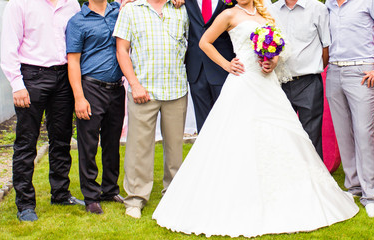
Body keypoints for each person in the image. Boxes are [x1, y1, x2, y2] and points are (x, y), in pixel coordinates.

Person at [152, 0, 359, 237]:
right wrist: (227, 64)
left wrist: (272, 61)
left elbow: (280, 48)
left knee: (283, 136)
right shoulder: (228, 14)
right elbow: (204, 42)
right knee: (237, 137)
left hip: (267, 84)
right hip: (243, 83)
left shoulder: (267, 13)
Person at [0, 0, 84, 222]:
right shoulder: (19, 4)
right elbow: (9, 47)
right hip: (32, 77)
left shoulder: (72, 4)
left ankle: (60, 194)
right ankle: (25, 205)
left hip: (63, 77)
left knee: (62, 139)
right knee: (26, 143)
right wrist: (17, 84)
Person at [324, 0, 374, 217]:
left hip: (361, 73)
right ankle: (354, 188)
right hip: (333, 72)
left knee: (364, 133)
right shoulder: (328, 4)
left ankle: (371, 196)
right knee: (343, 134)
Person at [113, 0, 188, 219]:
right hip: (143, 90)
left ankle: (173, 194)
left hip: (176, 88)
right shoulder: (130, 10)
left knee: (175, 148)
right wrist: (134, 84)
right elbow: (122, 50)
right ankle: (136, 198)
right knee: (139, 147)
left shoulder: (180, 8)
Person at [65, 0, 126, 215]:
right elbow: (73, 61)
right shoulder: (77, 21)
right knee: (88, 144)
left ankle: (110, 189)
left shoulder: (118, 12)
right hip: (91, 88)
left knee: (112, 142)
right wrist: (79, 97)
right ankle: (91, 195)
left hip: (117, 89)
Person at [268, 0, 330, 159]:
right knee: (281, 134)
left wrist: (313, 69)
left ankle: (315, 181)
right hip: (278, 83)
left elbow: (326, 47)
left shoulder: (318, 9)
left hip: (308, 82)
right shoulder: (272, 10)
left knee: (311, 136)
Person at [185, 0, 236, 132]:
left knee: (227, 119)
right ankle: (204, 152)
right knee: (203, 124)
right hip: (196, 68)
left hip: (224, 67)